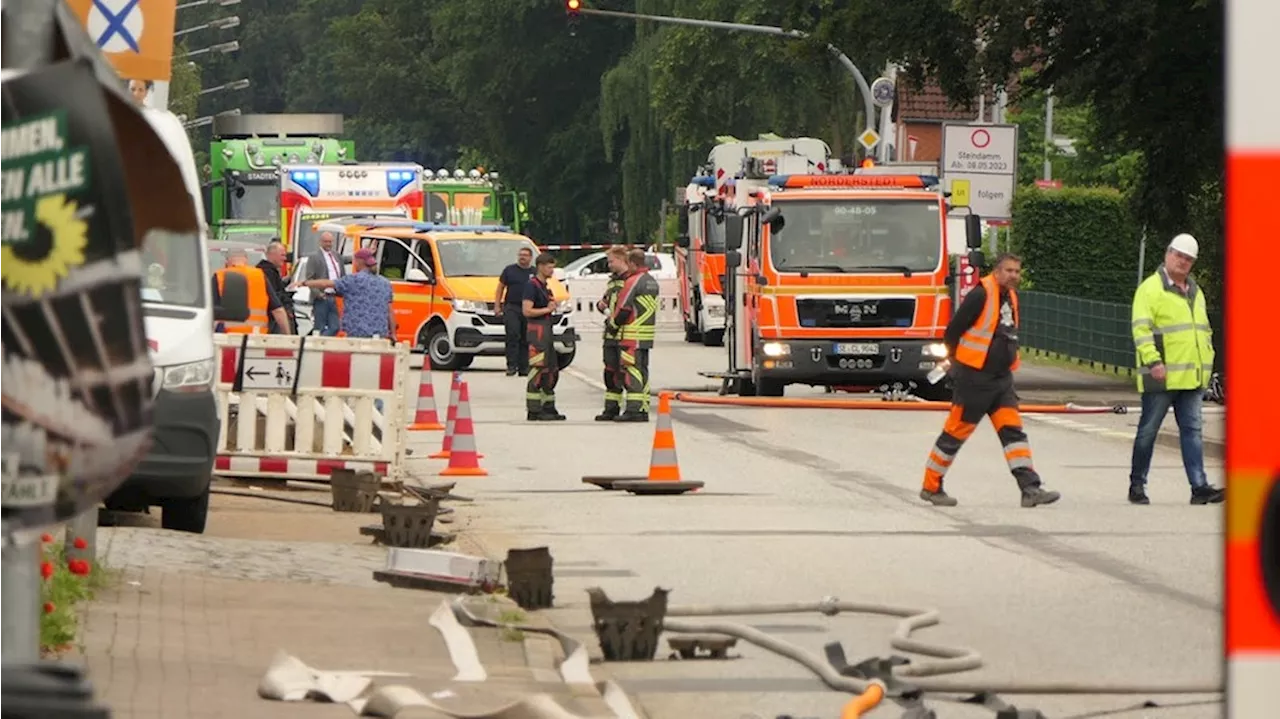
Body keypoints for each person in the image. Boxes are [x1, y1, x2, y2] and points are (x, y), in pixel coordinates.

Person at [919, 253, 1060, 508]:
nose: (1013, 275)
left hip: (1000, 379)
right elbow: (953, 330)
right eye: (1008, 270)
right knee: (955, 434)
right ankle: (930, 487)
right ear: (996, 272)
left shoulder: (1011, 296)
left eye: (1017, 271)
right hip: (974, 378)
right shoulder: (980, 294)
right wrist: (953, 362)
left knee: (1013, 432)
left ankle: (1030, 488)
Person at [1128, 234, 1224, 505]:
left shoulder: (1195, 291)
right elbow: (1141, 329)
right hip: (1160, 375)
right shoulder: (1150, 289)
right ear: (1168, 254)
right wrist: (1153, 361)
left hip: (1191, 377)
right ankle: (1137, 484)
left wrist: (1206, 367)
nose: (1183, 262)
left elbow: (1201, 332)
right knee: (1148, 431)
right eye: (1179, 256)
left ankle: (1199, 487)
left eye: (1188, 259)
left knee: (1193, 432)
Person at [607, 248, 659, 422]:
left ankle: (634, 410)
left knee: (631, 370)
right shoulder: (652, 281)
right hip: (646, 335)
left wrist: (612, 326)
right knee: (643, 370)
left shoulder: (633, 281)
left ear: (632, 263)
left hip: (631, 334)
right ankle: (643, 407)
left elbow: (624, 307)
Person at [302, 248, 395, 340]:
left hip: (357, 334)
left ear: (359, 262)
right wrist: (393, 334)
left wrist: (305, 283)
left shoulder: (352, 280)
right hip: (379, 336)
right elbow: (390, 311)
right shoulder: (385, 283)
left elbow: (326, 284)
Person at [523, 253, 565, 421]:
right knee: (538, 369)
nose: (552, 270)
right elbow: (527, 310)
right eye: (549, 266)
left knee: (551, 369)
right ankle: (534, 409)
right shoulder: (531, 286)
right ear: (540, 266)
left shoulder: (545, 285)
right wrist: (547, 309)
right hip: (537, 330)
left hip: (547, 330)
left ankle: (549, 407)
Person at [211, 248, 292, 335]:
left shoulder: (219, 276)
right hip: (256, 337)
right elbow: (278, 310)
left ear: (226, 263)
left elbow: (210, 311)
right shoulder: (259, 275)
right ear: (246, 261)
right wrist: (288, 336)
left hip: (227, 338)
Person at [595, 247, 632, 421]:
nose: (609, 265)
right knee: (610, 372)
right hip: (610, 334)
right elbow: (606, 300)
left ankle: (632, 408)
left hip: (624, 333)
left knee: (625, 372)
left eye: (611, 261)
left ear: (621, 259)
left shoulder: (630, 280)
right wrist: (601, 305)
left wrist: (616, 323)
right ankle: (611, 408)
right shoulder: (613, 281)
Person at [495, 247, 536, 376]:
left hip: (528, 309)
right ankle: (511, 365)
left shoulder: (534, 272)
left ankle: (524, 367)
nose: (522, 257)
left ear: (530, 258)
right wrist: (497, 305)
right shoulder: (509, 270)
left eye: (525, 255)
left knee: (526, 338)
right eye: (520, 255)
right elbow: (500, 288)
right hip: (512, 307)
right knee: (512, 335)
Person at [304, 231, 346, 336]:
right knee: (319, 327)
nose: (328, 244)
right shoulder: (314, 257)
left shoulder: (337, 256)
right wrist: (318, 294)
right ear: (321, 242)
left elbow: (343, 274)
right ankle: (317, 346)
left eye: (330, 242)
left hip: (335, 297)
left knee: (335, 327)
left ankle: (321, 341)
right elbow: (309, 279)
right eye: (326, 242)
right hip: (321, 298)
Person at [257, 240, 295, 334]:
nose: (285, 258)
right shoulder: (267, 272)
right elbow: (274, 299)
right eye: (282, 255)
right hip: (272, 321)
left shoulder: (270, 271)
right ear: (272, 255)